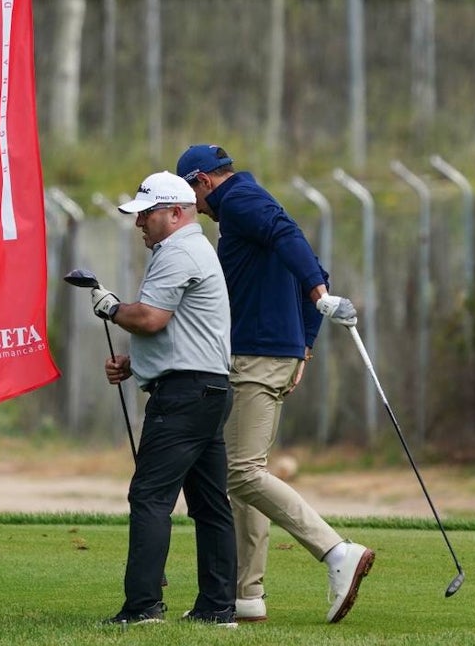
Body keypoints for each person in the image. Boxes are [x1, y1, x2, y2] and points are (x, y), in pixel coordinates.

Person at [175, 143, 373, 625]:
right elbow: (305, 256)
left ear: (203, 180)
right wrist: (304, 340)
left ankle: (336, 551)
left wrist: (317, 299)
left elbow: (293, 243)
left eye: (189, 192)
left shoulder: (240, 200)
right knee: (243, 474)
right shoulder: (246, 204)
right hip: (272, 351)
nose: (190, 206)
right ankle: (246, 593)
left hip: (255, 354)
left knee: (239, 471)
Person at [89, 170, 238, 627]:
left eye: (147, 214)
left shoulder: (178, 251)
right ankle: (217, 607)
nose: (140, 224)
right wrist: (138, 363)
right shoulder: (192, 249)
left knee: (150, 495)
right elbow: (182, 330)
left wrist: (111, 307)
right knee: (210, 504)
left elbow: (151, 318)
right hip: (208, 390)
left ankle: (143, 607)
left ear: (176, 213)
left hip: (185, 396)